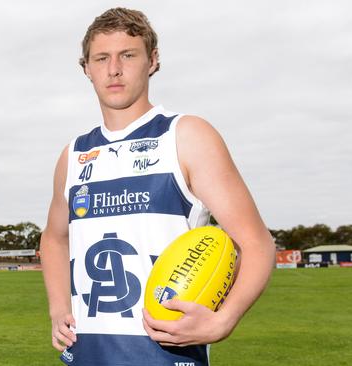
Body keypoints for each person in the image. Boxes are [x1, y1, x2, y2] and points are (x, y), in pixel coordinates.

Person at [40, 8, 275, 366]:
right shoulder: (74, 154)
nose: (114, 68)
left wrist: (224, 321)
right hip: (88, 354)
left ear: (152, 61)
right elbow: (54, 238)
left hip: (165, 355)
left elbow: (257, 242)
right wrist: (59, 308)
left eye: (128, 55)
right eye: (101, 58)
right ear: (86, 68)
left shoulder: (186, 136)